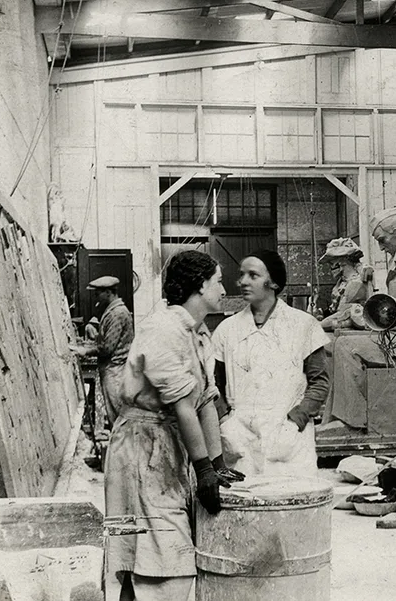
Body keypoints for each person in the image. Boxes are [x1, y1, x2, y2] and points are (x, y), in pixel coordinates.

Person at [105, 250, 242, 601]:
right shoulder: (162, 328)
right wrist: (203, 468)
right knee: (159, 563)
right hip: (140, 451)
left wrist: (217, 464)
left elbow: (206, 401)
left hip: (168, 449)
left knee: (157, 557)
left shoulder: (196, 332)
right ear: (199, 286)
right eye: (218, 281)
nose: (224, 289)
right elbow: (183, 407)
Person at [212, 249, 331, 476]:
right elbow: (216, 386)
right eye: (242, 275)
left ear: (274, 283)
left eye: (253, 275)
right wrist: (227, 422)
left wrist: (296, 421)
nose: (242, 282)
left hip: (288, 436)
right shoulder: (227, 330)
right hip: (240, 436)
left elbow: (320, 382)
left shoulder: (303, 325)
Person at [322, 207, 396, 431]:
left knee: (346, 346)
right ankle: (335, 417)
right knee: (340, 340)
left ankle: (352, 423)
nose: (381, 247)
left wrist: (374, 318)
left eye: (383, 240)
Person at [70, 275, 133, 427]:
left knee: (118, 416)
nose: (96, 295)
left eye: (98, 292)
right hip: (113, 369)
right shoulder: (113, 311)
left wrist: (84, 350)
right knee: (115, 415)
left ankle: (120, 448)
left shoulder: (117, 313)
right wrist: (96, 336)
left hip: (115, 370)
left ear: (108, 292)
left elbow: (107, 349)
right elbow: (109, 340)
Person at [319, 237, 373, 332]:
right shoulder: (342, 282)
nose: (330, 267)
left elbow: (341, 313)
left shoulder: (355, 283)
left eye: (331, 263)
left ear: (341, 262)